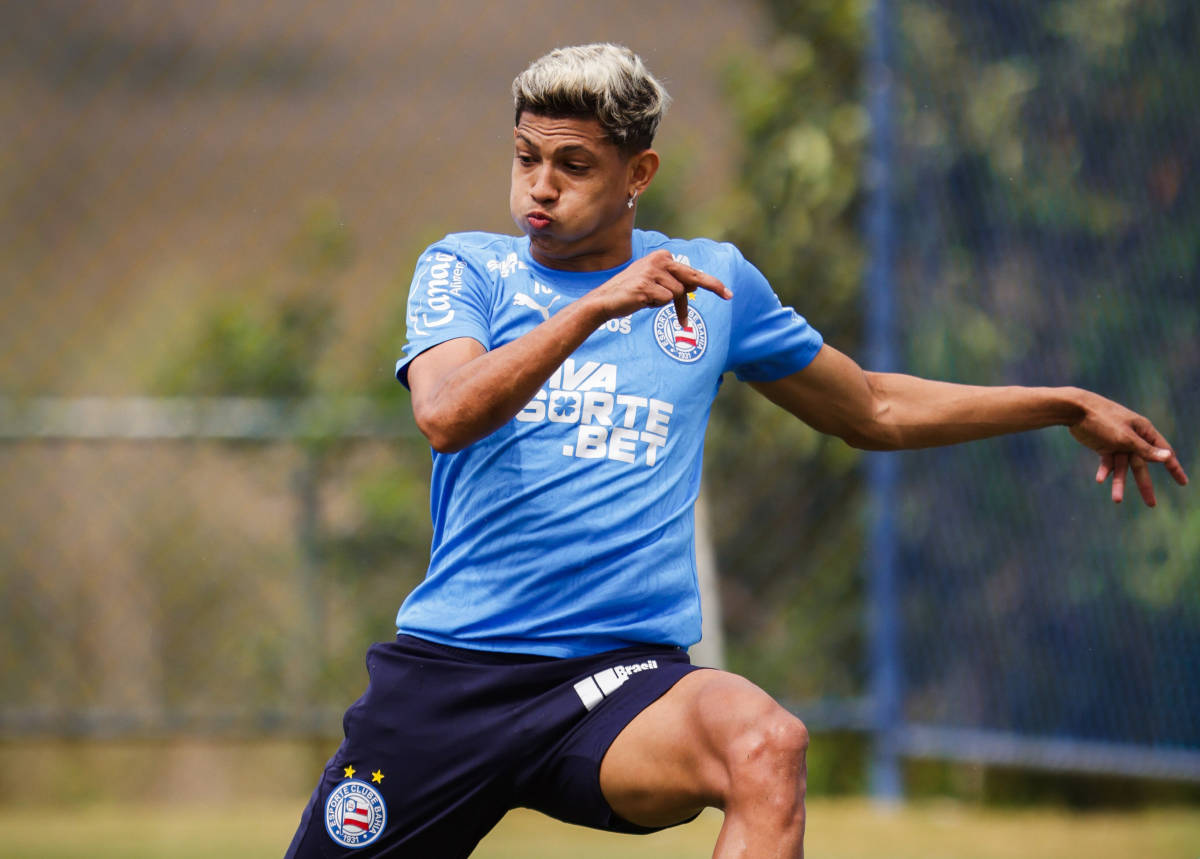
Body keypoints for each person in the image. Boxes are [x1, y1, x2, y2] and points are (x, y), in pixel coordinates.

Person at [285, 43, 1188, 858]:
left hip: (618, 682)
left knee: (767, 742)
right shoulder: (467, 268)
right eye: (526, 158)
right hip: (455, 678)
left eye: (573, 165)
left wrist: (1059, 404)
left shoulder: (711, 283)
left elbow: (871, 406)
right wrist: (594, 307)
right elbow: (446, 413)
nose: (539, 189)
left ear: (639, 172)